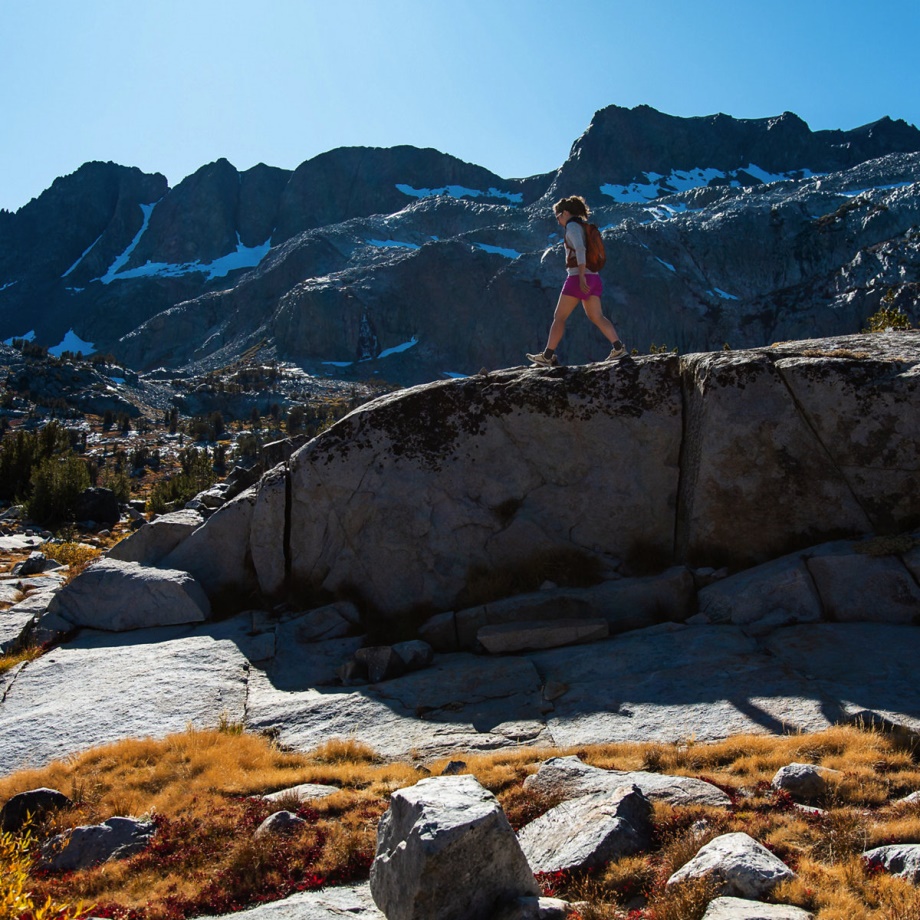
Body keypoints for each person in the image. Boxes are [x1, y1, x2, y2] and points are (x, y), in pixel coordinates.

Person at [526, 195, 626, 367]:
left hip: (577, 278)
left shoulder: (572, 227)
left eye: (558, 216)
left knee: (559, 317)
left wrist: (580, 276)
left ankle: (547, 356)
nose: (557, 220)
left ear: (565, 213)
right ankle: (619, 348)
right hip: (594, 277)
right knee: (597, 316)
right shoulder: (583, 226)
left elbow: (580, 249)